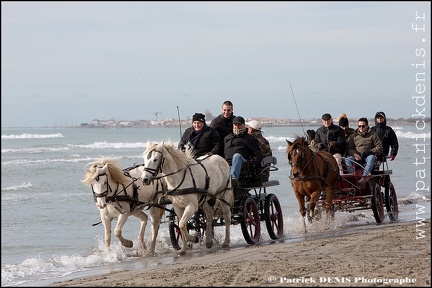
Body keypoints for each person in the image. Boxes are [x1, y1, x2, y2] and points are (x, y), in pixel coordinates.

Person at [223, 116, 262, 187]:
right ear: (233, 125)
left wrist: (249, 163)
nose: (237, 127)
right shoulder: (227, 138)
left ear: (244, 125)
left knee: (237, 156)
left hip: (243, 165)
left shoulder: (250, 139)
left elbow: (258, 155)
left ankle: (233, 179)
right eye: (235, 125)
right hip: (227, 165)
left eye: (239, 125)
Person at [345, 117, 383, 184]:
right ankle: (353, 176)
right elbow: (349, 148)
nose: (361, 128)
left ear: (367, 126)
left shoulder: (372, 135)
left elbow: (379, 147)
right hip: (357, 156)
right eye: (359, 126)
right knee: (347, 159)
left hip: (367, 156)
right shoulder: (354, 135)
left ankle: (364, 177)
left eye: (363, 126)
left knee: (371, 158)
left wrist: (370, 152)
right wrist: (355, 154)